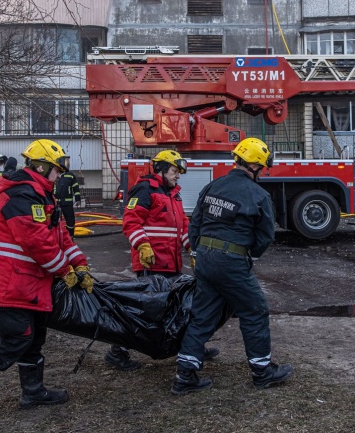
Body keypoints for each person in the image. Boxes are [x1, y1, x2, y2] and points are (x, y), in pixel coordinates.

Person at [0, 138, 94, 421]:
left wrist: (81, 265)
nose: (60, 175)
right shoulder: (21, 195)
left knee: (35, 337)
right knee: (17, 338)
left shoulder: (41, 194)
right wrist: (66, 271)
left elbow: (61, 237)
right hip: (9, 284)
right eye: (57, 170)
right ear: (41, 167)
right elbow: (37, 243)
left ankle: (33, 391)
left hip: (28, 284)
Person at [171, 138, 293, 395]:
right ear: (257, 166)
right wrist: (250, 256)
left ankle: (185, 374)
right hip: (231, 261)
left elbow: (196, 223)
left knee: (202, 315)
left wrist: (198, 251)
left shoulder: (212, 186)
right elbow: (266, 235)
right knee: (254, 309)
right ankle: (262, 371)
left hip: (204, 259)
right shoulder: (258, 194)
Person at [108, 150, 219, 371]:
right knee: (143, 311)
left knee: (179, 307)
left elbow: (182, 227)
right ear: (160, 169)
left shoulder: (173, 194)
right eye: (174, 170)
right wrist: (143, 245)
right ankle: (117, 352)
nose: (177, 175)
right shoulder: (145, 189)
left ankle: (193, 346)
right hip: (152, 262)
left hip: (170, 262)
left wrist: (192, 250)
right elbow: (130, 222)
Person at [55, 169, 81, 238]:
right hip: (56, 203)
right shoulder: (53, 173)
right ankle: (57, 238)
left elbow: (76, 187)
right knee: (54, 221)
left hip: (67, 203)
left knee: (70, 221)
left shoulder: (70, 175)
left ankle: (70, 237)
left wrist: (77, 199)